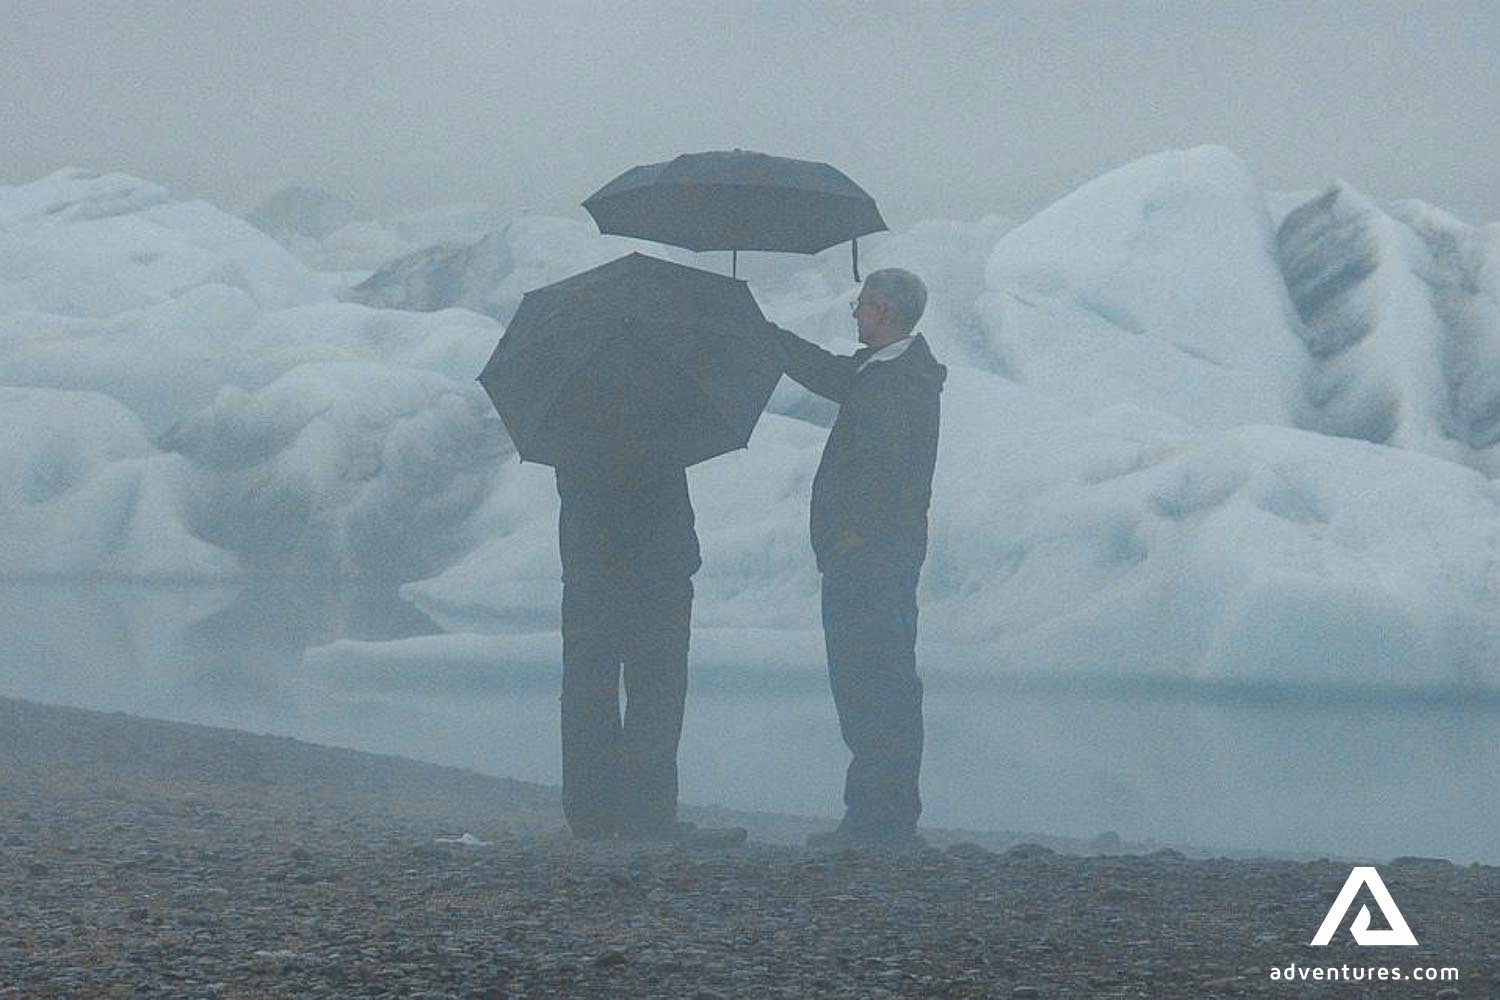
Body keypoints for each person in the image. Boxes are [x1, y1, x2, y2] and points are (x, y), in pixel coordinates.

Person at [764, 268, 945, 848]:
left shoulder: (897, 383)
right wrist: (767, 336)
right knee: (879, 679)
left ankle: (878, 819)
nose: (856, 314)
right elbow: (832, 373)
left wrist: (852, 538)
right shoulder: (889, 373)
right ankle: (881, 814)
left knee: (872, 679)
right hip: (876, 552)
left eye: (863, 305)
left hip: (871, 556)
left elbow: (880, 469)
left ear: (885, 311)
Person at [555, 462, 747, 848]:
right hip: (657, 571)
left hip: (591, 570)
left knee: (589, 688)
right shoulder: (662, 416)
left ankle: (590, 814)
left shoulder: (572, 422)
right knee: (656, 691)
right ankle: (646, 814)